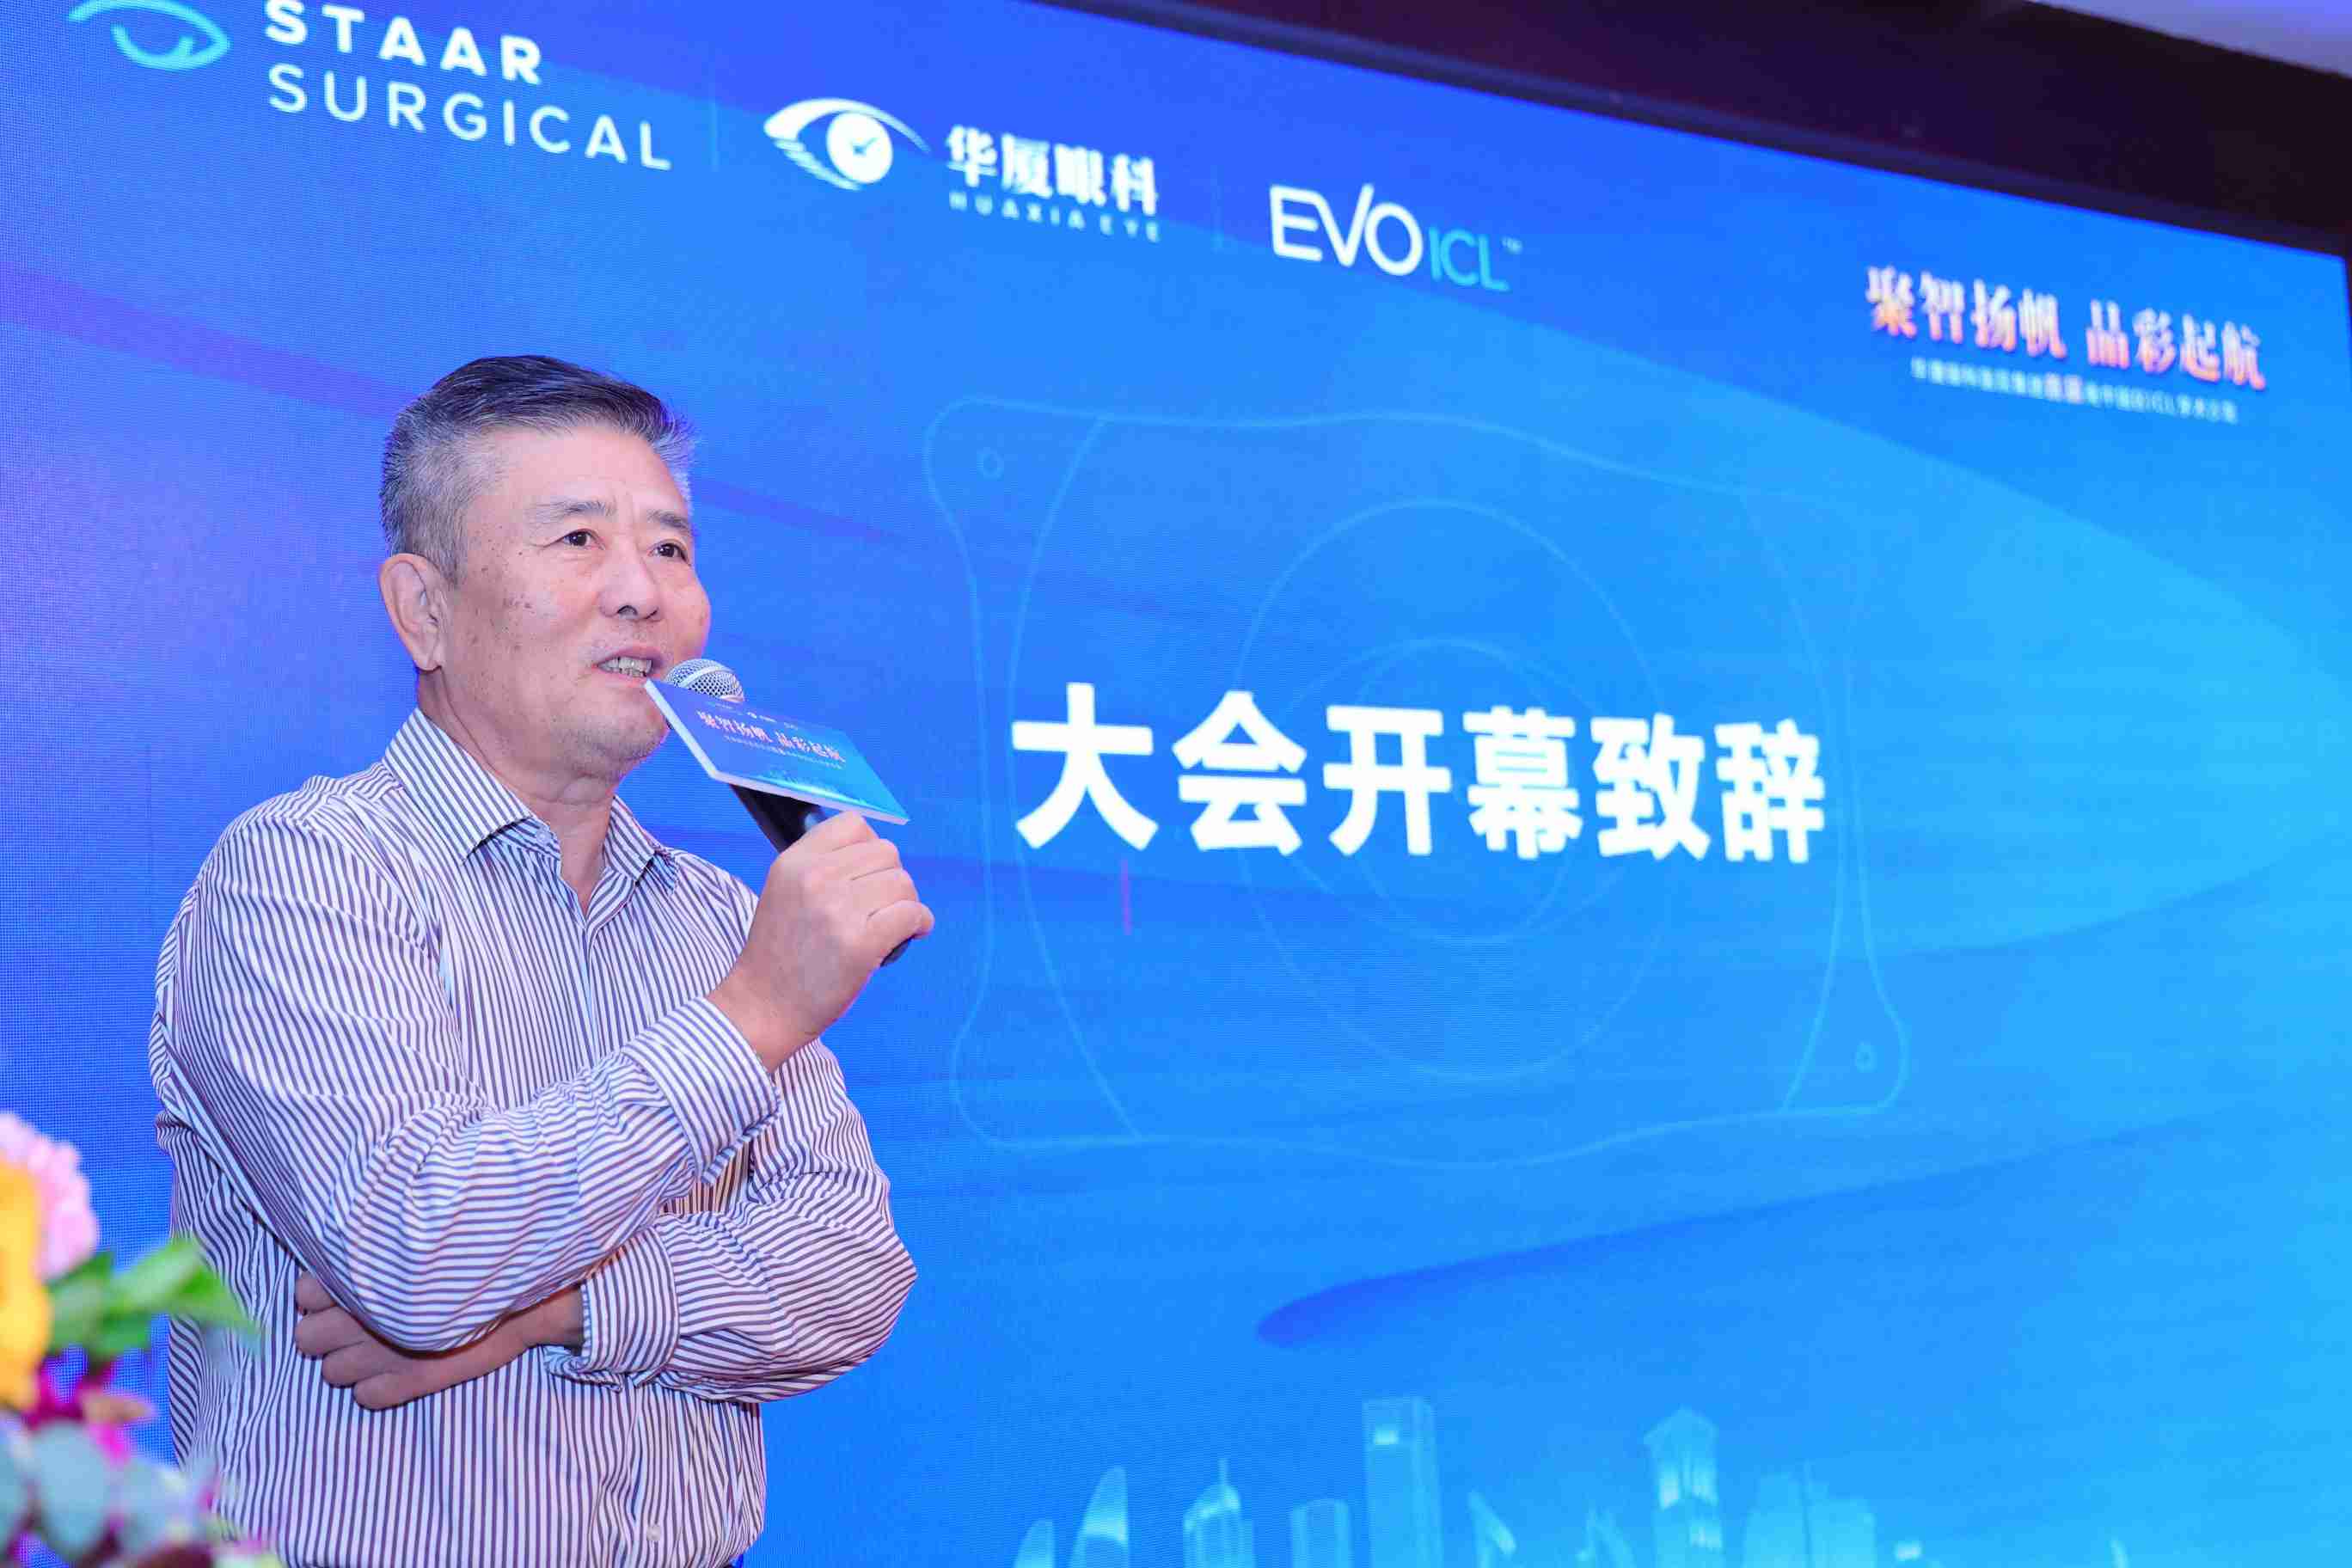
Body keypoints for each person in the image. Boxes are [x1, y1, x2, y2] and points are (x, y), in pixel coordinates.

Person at [148, 355, 931, 1567]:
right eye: (577, 540)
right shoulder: (302, 871)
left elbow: (851, 1271)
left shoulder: (716, 916)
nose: (642, 593)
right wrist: (750, 1020)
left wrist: (556, 1311)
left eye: (670, 548)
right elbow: (417, 1250)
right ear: (424, 609)